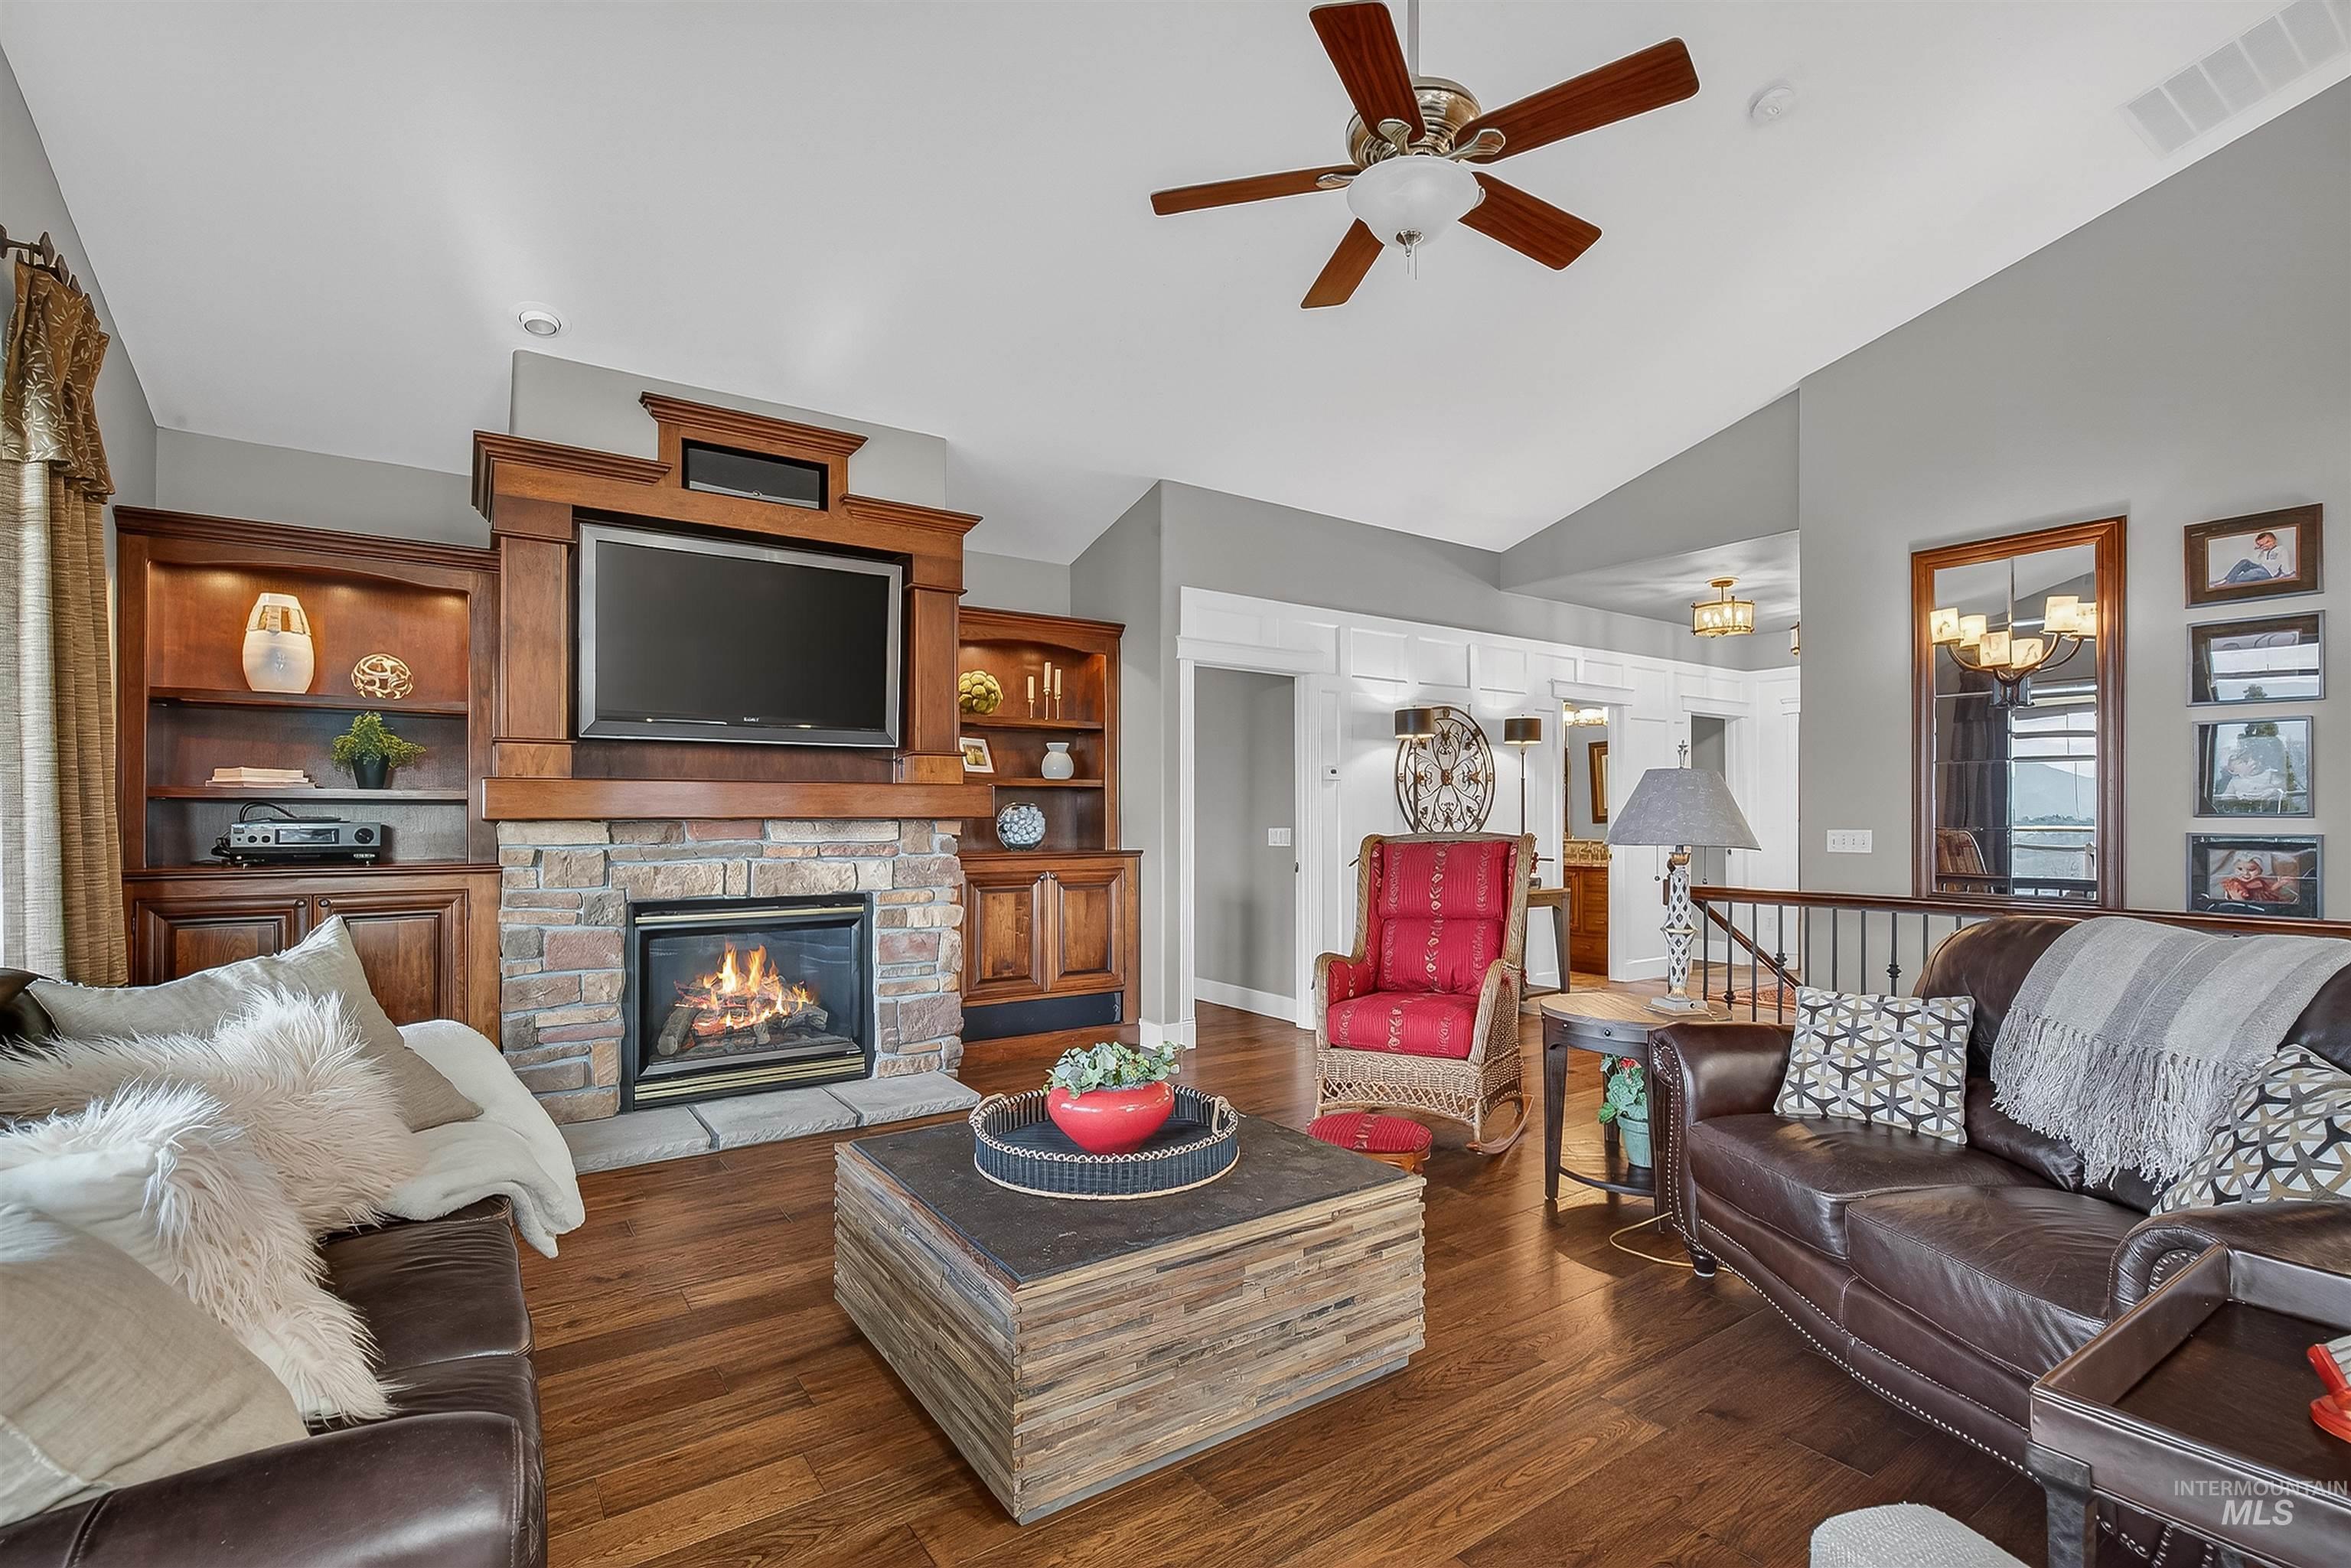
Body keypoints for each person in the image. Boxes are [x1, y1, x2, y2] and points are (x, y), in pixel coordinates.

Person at [2219, 529, 2293, 585]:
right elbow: (2257, 561)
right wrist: (2260, 551)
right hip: (2260, 567)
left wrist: (2287, 573)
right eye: (2262, 544)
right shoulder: (2263, 551)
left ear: (2275, 540)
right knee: (2245, 562)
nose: (2266, 545)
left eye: (2267, 542)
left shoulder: (2281, 549)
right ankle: (2227, 579)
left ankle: (2232, 581)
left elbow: (2285, 562)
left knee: (2253, 573)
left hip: (2269, 572)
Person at [2217, 854, 2295, 905]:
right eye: (2240, 869)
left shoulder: (2261, 881)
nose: (2245, 873)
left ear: (2260, 870)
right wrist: (2238, 899)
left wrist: (2279, 884)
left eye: (2251, 870)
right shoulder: (2235, 884)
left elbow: (2268, 893)